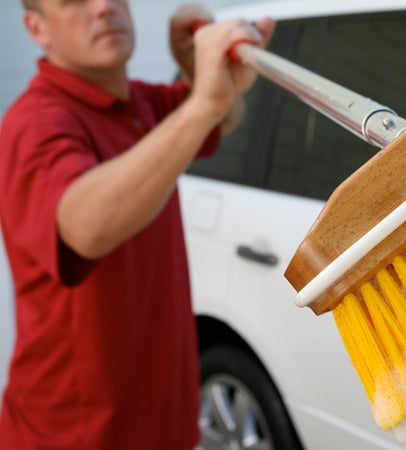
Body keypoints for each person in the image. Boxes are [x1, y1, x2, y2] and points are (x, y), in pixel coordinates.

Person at [0, 0, 274, 448]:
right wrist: (203, 101)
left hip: (165, 422)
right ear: (37, 28)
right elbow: (87, 226)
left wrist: (199, 77)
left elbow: (224, 117)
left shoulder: (140, 102)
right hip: (77, 437)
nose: (104, 7)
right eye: (74, 2)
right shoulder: (35, 123)